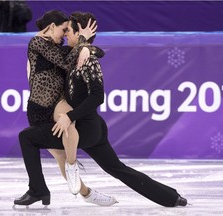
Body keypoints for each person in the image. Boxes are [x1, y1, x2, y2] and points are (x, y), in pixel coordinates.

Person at [16, 11, 188, 208]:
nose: (65, 36)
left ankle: (66, 179)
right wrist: (86, 47)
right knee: (116, 168)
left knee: (29, 137)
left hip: (85, 127)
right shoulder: (69, 54)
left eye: (68, 32)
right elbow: (79, 54)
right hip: (88, 125)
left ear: (78, 33)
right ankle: (170, 197)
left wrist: (86, 47)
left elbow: (97, 95)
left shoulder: (84, 59)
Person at [14, 10, 117, 206]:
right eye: (63, 29)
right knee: (60, 157)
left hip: (56, 103)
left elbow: (99, 52)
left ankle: (72, 168)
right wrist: (83, 43)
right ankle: (87, 193)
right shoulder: (36, 43)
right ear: (52, 26)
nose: (64, 34)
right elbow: (65, 60)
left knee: (68, 125)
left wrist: (86, 47)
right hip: (37, 109)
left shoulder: (58, 46)